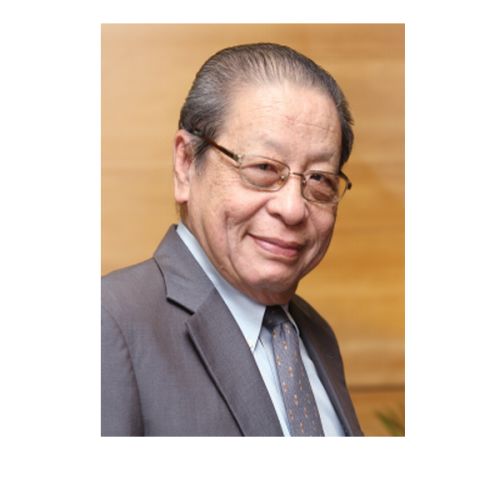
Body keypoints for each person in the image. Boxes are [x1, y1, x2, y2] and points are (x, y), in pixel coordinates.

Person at [101, 42, 363, 436]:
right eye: (263, 168)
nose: (292, 209)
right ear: (186, 165)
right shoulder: (109, 323)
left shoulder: (314, 333)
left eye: (319, 179)